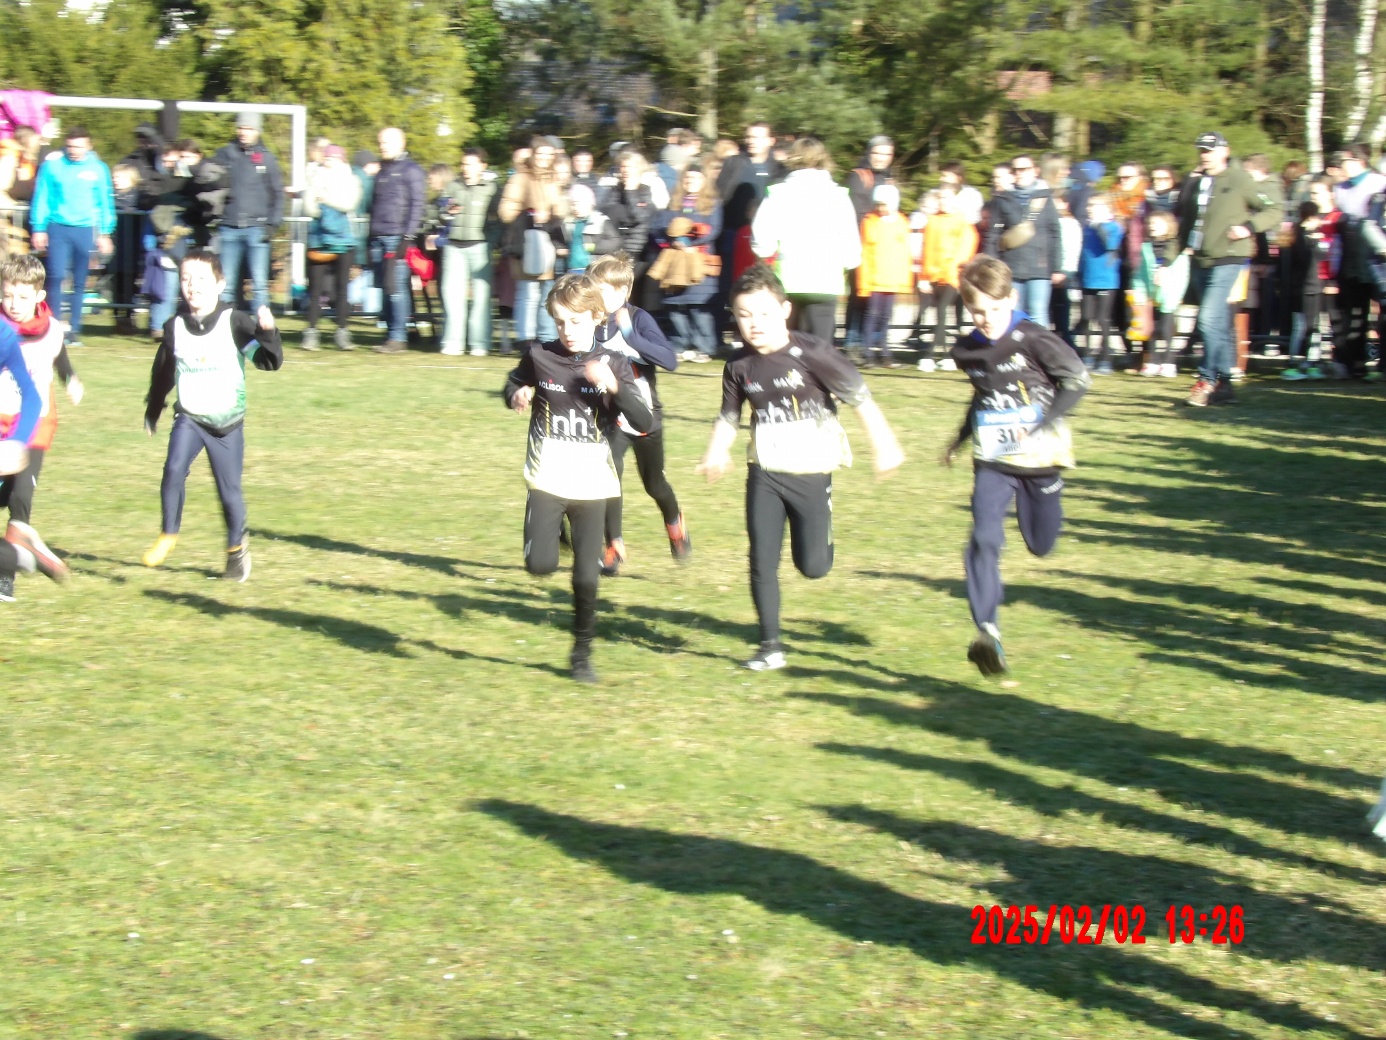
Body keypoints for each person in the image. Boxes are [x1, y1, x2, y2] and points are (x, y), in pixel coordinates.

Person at [696, 263, 905, 672]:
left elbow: (860, 398)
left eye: (763, 313)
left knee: (813, 566)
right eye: (744, 315)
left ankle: (821, 536)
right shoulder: (738, 366)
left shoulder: (813, 354)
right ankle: (769, 646)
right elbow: (729, 417)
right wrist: (716, 451)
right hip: (766, 471)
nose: (754, 324)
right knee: (761, 558)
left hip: (811, 471)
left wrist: (885, 445)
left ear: (785, 310)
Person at [502, 272, 654, 683]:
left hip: (593, 484)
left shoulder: (615, 363)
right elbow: (512, 383)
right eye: (560, 322)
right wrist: (516, 393)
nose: (568, 331)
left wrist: (615, 390)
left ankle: (581, 653)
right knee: (539, 565)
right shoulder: (539, 355)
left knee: (587, 578)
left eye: (577, 321)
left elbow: (644, 422)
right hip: (547, 476)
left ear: (597, 317)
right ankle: (552, 534)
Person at [942, 254, 1089, 677]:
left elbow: (1077, 381)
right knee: (983, 538)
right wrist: (959, 438)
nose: (987, 320)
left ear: (1013, 298)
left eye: (995, 309)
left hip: (1040, 462)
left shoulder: (1035, 339)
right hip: (993, 461)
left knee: (1041, 544)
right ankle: (987, 629)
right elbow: (984, 395)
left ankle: (1047, 496)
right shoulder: (966, 350)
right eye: (977, 312)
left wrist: (1041, 423)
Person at [142, 248, 283, 580]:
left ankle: (236, 552)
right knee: (173, 468)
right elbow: (163, 371)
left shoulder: (234, 323)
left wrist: (269, 333)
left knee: (229, 492)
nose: (193, 286)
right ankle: (168, 534)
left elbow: (268, 361)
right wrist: (153, 409)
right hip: (190, 418)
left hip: (227, 425)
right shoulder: (175, 327)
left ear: (220, 284)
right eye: (186, 279)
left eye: (201, 279)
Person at [586, 253, 686, 576]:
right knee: (606, 477)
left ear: (624, 292)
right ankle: (613, 545)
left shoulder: (638, 319)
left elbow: (669, 360)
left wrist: (631, 338)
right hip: (610, 416)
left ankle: (675, 523)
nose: (603, 298)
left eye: (609, 291)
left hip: (644, 415)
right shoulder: (587, 321)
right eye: (596, 289)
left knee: (654, 484)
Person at [1176, 132, 1279, 406]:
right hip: (1200, 259)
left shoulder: (1239, 178)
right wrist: (1174, 257)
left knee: (1208, 319)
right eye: (1201, 150)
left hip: (1229, 257)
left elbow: (1274, 209)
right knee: (1217, 324)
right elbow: (1186, 220)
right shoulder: (1198, 181)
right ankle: (1225, 385)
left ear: (1225, 151)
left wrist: (1248, 228)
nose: (1204, 155)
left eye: (1209, 150)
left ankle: (1207, 380)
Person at [0, 254, 81, 599]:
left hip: (35, 425)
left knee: (20, 500)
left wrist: (71, 377)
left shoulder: (51, 329)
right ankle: (28, 553)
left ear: (39, 297)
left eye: (22, 297)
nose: (13, 304)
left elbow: (58, 353)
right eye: (7, 295)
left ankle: (6, 578)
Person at [751, 137, 861, 345]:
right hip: (826, 278)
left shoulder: (778, 192)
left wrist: (766, 253)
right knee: (820, 345)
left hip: (787, 279)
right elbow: (850, 240)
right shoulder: (838, 195)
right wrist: (848, 263)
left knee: (787, 342)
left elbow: (761, 239)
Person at [28, 126, 115, 348]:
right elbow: (42, 196)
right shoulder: (52, 167)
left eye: (78, 146)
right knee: (55, 277)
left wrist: (105, 232)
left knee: (79, 282)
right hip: (58, 228)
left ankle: (75, 330)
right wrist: (38, 227)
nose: (74, 151)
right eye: (70, 146)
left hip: (84, 230)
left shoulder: (98, 169)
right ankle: (52, 327)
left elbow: (105, 202)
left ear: (88, 146)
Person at [499, 136, 569, 352]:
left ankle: (545, 337)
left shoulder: (552, 179)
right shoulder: (520, 178)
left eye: (549, 155)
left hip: (547, 240)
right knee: (527, 293)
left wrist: (555, 211)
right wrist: (529, 213)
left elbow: (561, 207)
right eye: (541, 154)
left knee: (547, 293)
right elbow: (506, 211)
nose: (544, 159)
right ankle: (525, 338)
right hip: (525, 241)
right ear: (533, 154)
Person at [716, 123, 786, 327]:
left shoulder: (780, 169)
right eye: (749, 137)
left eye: (757, 137)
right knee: (732, 283)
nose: (751, 141)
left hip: (769, 237)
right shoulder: (733, 163)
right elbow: (719, 197)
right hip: (734, 233)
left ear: (770, 141)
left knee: (765, 284)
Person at [213, 112, 284, 315]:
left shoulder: (267, 159)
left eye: (249, 128)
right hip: (229, 226)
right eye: (241, 128)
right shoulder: (224, 154)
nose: (244, 132)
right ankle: (223, 325)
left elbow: (277, 193)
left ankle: (260, 327)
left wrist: (272, 224)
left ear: (257, 131)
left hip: (257, 229)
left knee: (260, 284)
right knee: (225, 285)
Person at [653, 164, 723, 362]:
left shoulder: (712, 204)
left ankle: (704, 346)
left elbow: (714, 229)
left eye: (696, 178)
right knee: (675, 307)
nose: (691, 182)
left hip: (699, 261)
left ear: (704, 181)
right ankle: (680, 344)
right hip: (674, 263)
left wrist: (690, 242)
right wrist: (671, 243)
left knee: (699, 307)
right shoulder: (672, 204)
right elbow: (658, 229)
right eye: (687, 178)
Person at [985, 154, 1060, 330]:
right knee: (1013, 314)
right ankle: (1015, 353)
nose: (1019, 173)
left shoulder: (1044, 198)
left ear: (1035, 171)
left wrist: (1056, 267)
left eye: (1024, 169)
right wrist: (992, 264)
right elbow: (994, 233)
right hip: (1011, 266)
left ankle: (1039, 354)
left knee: (1038, 314)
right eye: (1015, 170)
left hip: (1040, 267)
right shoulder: (1002, 200)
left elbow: (1054, 233)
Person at [1330, 143, 1386, 379]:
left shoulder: (1378, 183)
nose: (1342, 165)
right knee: (1352, 308)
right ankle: (1353, 360)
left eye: (1346, 161)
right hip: (1350, 251)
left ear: (1359, 161)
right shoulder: (1340, 189)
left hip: (1375, 249)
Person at [437, 147, 499, 356]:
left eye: (471, 164)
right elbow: (439, 215)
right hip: (454, 247)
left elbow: (497, 221)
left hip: (479, 247)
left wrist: (489, 242)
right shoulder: (452, 186)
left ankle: (479, 343)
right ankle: (452, 342)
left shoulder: (490, 188)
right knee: (451, 296)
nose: (466, 168)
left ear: (482, 166)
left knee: (481, 298)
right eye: (464, 164)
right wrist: (446, 212)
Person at [369, 127, 425, 354]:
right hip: (378, 236)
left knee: (396, 288)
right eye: (381, 142)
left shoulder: (411, 170)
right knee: (385, 288)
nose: (383, 146)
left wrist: (408, 237)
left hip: (397, 237)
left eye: (388, 142)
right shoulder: (381, 171)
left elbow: (417, 205)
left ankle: (398, 337)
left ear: (401, 143)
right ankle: (393, 332)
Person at [301, 144, 362, 351]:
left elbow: (349, 204)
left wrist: (327, 199)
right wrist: (320, 205)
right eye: (327, 159)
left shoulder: (351, 179)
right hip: (318, 240)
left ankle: (342, 332)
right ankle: (311, 333)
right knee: (315, 289)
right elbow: (309, 206)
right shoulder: (314, 178)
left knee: (342, 288)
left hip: (344, 241)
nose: (330, 162)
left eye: (334, 159)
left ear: (342, 160)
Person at [918, 185, 980, 371]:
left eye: (947, 198)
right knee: (939, 315)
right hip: (934, 275)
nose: (943, 202)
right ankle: (945, 355)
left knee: (943, 311)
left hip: (952, 276)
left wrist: (950, 272)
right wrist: (924, 277)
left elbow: (964, 251)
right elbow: (926, 250)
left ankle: (932, 355)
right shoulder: (932, 222)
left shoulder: (962, 223)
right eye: (941, 198)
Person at [845, 136, 897, 348]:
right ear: (869, 153)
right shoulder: (858, 176)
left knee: (877, 297)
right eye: (878, 153)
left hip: (882, 249)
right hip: (861, 245)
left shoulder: (890, 179)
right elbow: (854, 212)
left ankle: (872, 342)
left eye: (887, 154)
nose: (881, 159)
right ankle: (852, 341)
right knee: (859, 294)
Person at [856, 183, 912, 368]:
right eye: (878, 204)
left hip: (892, 280)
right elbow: (865, 253)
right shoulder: (870, 222)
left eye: (885, 204)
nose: (881, 208)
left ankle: (885, 353)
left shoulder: (902, 222)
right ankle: (868, 353)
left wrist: (904, 280)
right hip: (874, 280)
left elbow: (904, 253)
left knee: (886, 318)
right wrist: (864, 283)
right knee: (872, 316)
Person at [1133, 209, 1189, 377]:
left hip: (1170, 296)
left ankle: (1169, 361)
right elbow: (1141, 273)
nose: (1152, 226)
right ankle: (1152, 361)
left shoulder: (1176, 247)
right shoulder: (1147, 247)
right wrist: (1140, 292)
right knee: (1152, 329)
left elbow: (1182, 275)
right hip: (1152, 296)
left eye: (1157, 223)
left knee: (1166, 329)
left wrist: (1174, 296)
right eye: (1150, 223)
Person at [1076, 194, 1125, 374]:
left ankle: (1106, 358)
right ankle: (1088, 355)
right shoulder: (1087, 228)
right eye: (1090, 205)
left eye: (1096, 206)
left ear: (1108, 210)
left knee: (1103, 320)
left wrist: (1100, 227)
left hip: (1106, 281)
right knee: (1087, 318)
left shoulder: (1114, 227)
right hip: (1088, 279)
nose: (1090, 209)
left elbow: (1110, 246)